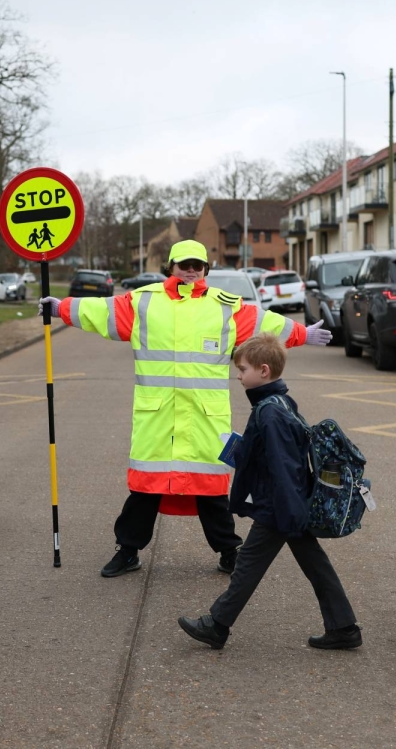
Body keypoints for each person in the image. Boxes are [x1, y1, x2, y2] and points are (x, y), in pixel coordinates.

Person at [37, 239, 332, 579]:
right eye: (184, 264)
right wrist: (62, 308)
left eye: (198, 265)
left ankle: (228, 552)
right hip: (157, 417)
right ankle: (128, 551)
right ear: (171, 267)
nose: (191, 270)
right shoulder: (144, 303)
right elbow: (100, 312)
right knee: (145, 489)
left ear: (207, 269)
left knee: (210, 490)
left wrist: (300, 333)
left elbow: (266, 325)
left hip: (203, 419)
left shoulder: (226, 307)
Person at [178, 334, 361, 651]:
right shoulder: (279, 403)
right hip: (288, 503)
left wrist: (289, 512)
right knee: (316, 566)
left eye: (243, 368)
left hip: (280, 506)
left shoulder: (270, 412)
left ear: (264, 371)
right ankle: (343, 627)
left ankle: (217, 625)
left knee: (248, 564)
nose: (238, 375)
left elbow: (283, 465)